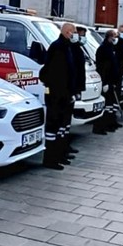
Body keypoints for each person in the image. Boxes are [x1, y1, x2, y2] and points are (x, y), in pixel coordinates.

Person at [40, 23, 78, 168]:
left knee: (61, 127)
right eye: (74, 32)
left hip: (64, 95)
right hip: (56, 95)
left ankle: (59, 155)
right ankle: (50, 159)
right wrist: (63, 94)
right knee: (53, 126)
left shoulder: (66, 46)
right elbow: (57, 74)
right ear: (67, 32)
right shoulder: (58, 47)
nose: (75, 35)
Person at [94, 28, 123, 134]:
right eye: (114, 37)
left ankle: (109, 123)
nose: (116, 39)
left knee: (110, 105)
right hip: (106, 80)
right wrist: (105, 82)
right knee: (105, 105)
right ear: (109, 37)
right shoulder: (103, 49)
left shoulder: (111, 48)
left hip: (112, 81)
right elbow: (103, 67)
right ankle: (100, 126)